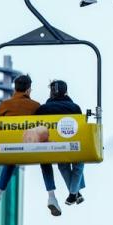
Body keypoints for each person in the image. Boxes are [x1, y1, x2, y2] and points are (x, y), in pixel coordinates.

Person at [0, 75, 40, 212]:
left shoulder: (4, 105)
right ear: (28, 90)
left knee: (10, 160)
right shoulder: (35, 106)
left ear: (15, 88)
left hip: (9, 147)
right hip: (31, 147)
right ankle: (51, 196)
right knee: (45, 161)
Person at [35, 80, 86, 208]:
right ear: (66, 92)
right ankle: (74, 193)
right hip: (73, 145)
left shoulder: (42, 109)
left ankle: (75, 193)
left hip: (53, 147)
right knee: (79, 164)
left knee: (63, 165)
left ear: (51, 93)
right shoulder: (75, 108)